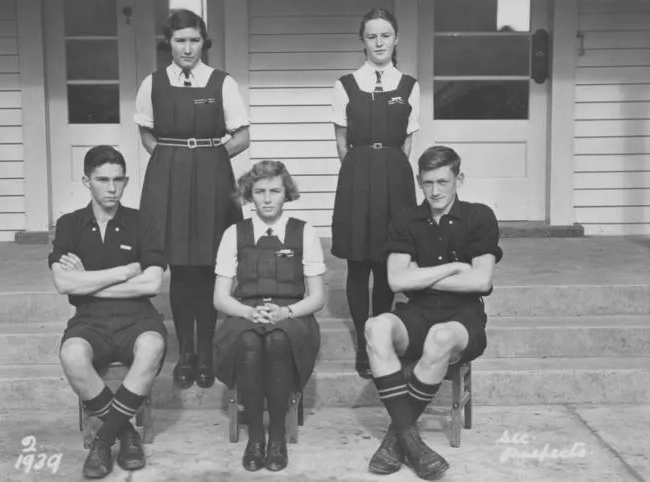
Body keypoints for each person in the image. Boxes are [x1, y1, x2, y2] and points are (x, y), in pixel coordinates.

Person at [365, 146, 503, 480]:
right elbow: (396, 279)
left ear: (460, 179)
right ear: (419, 182)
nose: (436, 191)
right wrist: (457, 268)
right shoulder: (405, 220)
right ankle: (411, 443)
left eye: (443, 181)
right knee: (376, 327)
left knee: (440, 337)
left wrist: (422, 274)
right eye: (428, 183)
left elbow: (481, 281)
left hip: (464, 318)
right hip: (417, 311)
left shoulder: (479, 216)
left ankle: (395, 440)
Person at [134, 9, 249, 391]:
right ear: (169, 42)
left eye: (195, 40)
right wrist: (171, 161)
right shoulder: (153, 83)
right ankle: (186, 354)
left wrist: (209, 160)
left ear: (204, 43)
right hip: (168, 181)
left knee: (209, 264)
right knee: (180, 269)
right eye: (180, 40)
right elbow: (147, 134)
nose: (187, 48)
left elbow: (241, 136)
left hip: (212, 180)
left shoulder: (222, 83)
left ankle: (208, 353)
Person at [49, 146, 168, 479]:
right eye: (103, 180)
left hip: (137, 317)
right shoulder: (70, 224)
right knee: (72, 355)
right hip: (89, 319)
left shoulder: (143, 221)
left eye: (118, 179)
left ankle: (104, 440)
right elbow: (62, 283)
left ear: (126, 180)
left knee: (153, 346)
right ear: (87, 181)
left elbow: (152, 283)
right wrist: (124, 271)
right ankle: (127, 433)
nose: (112, 188)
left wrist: (86, 281)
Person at [212, 161, 326, 472]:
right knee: (248, 340)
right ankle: (256, 438)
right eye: (259, 191)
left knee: (277, 339)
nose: (266, 198)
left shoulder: (304, 232)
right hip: (244, 311)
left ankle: (276, 436)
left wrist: (285, 312)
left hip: (293, 314)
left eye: (274, 191)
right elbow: (220, 298)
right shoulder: (234, 233)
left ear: (286, 193)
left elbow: (317, 298)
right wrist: (249, 311)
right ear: (249, 195)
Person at [330, 8, 420, 379]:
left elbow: (409, 143)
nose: (379, 43)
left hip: (395, 176)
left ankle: (378, 337)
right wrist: (362, 170)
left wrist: (390, 172)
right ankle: (362, 346)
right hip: (357, 173)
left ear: (396, 39)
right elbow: (340, 142)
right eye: (372, 36)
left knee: (387, 262)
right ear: (363, 41)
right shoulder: (346, 84)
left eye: (385, 35)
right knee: (358, 261)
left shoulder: (409, 85)